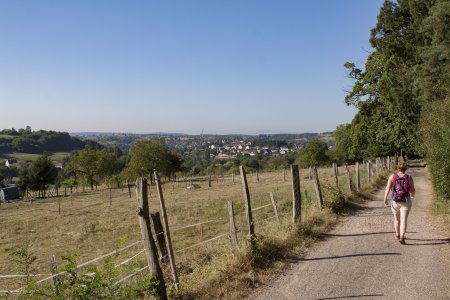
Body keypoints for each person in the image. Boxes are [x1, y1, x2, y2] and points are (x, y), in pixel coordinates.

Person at [383, 162, 415, 244]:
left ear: (397, 168)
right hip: (406, 200)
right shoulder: (409, 177)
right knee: (404, 220)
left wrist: (385, 198)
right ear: (406, 168)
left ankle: (397, 234)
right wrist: (412, 195)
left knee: (396, 219)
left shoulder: (392, 176)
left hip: (395, 200)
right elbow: (412, 189)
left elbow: (387, 188)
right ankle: (402, 237)